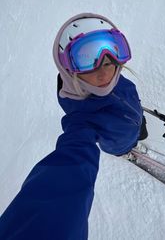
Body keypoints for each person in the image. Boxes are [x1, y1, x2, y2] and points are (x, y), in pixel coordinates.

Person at [0, 13, 148, 240]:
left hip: (133, 119)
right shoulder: (81, 121)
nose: (103, 70)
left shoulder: (117, 79)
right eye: (87, 59)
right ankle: (124, 150)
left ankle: (136, 132)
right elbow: (67, 173)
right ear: (68, 70)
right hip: (117, 140)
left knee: (138, 127)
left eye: (110, 58)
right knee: (123, 144)